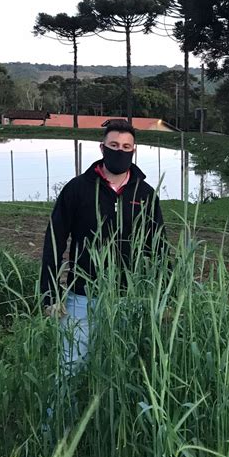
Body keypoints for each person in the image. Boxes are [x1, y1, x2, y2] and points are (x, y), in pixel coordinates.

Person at [40, 119, 167, 368]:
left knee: (120, 370)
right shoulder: (77, 189)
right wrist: (50, 295)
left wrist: (165, 297)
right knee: (71, 368)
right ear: (102, 148)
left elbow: (159, 246)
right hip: (82, 298)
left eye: (126, 147)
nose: (119, 151)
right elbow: (54, 241)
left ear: (134, 150)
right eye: (114, 145)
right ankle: (63, 409)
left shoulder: (145, 194)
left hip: (129, 297)